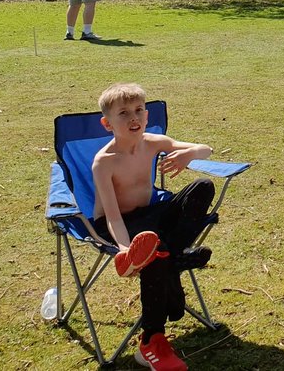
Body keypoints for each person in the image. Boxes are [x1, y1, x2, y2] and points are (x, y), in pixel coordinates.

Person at [92, 83, 216, 371]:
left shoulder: (153, 142)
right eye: (123, 113)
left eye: (138, 111)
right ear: (107, 123)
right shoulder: (104, 162)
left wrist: (190, 154)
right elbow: (111, 216)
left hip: (152, 215)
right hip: (119, 225)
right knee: (152, 250)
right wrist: (125, 250)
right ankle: (152, 340)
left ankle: (171, 258)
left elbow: (206, 149)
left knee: (203, 186)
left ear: (147, 115)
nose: (133, 118)